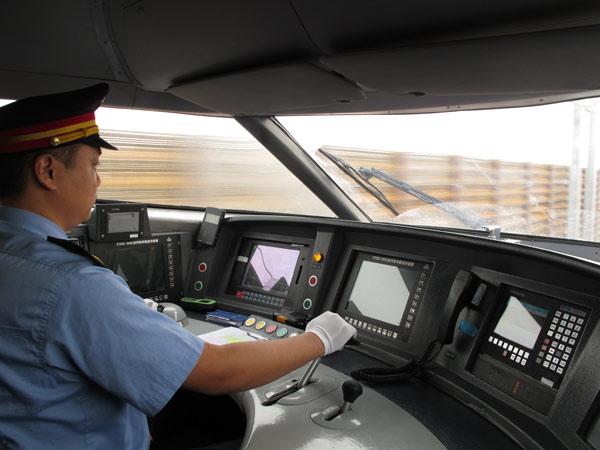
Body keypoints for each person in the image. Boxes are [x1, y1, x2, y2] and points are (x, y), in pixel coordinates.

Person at [0, 84, 357, 450]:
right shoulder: (72, 284)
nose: (98, 180)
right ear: (47, 170)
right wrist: (320, 338)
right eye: (93, 165)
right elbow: (220, 372)